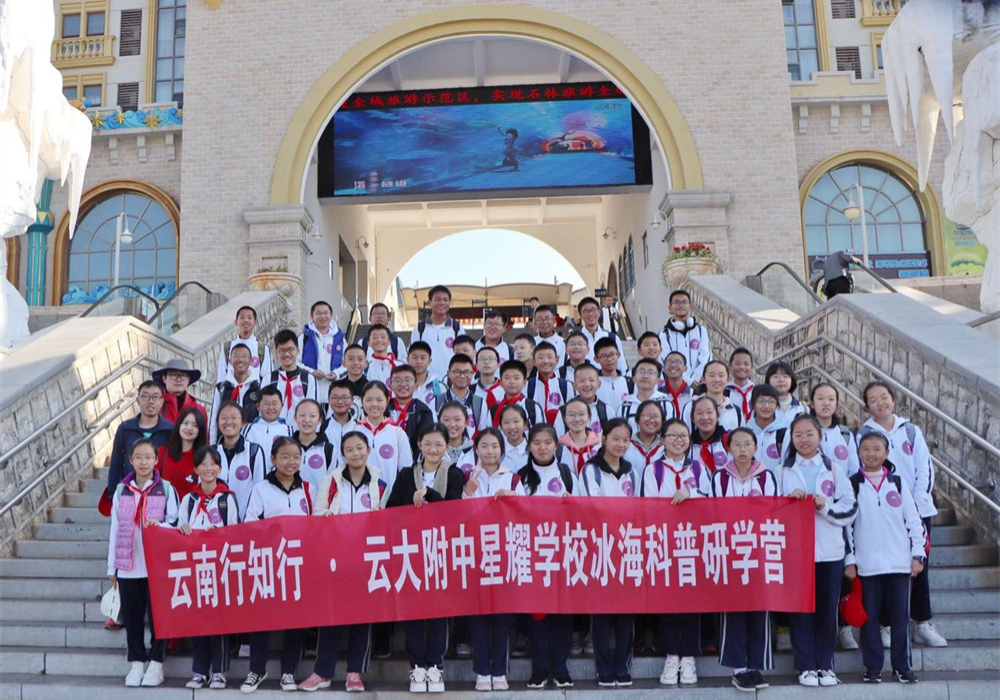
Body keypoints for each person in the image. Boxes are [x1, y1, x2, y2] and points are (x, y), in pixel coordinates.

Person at [857, 381, 945, 648]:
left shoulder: (910, 431)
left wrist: (915, 505)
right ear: (867, 406)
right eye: (873, 400)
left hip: (917, 510)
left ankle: (922, 622)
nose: (880, 403)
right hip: (883, 514)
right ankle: (884, 624)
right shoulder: (863, 435)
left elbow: (924, 468)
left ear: (893, 399)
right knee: (886, 569)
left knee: (919, 566)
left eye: (884, 397)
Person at [299, 431, 388, 692]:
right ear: (343, 454)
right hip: (335, 558)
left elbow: (386, 520)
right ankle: (322, 672)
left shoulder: (380, 483)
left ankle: (354, 673)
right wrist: (325, 516)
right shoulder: (331, 481)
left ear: (368, 450)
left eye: (360, 448)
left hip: (366, 559)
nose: (355, 453)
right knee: (331, 616)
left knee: (363, 616)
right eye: (349, 449)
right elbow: (317, 513)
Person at [780, 415, 857, 688]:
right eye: (798, 435)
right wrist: (789, 503)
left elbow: (850, 508)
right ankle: (805, 666)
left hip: (830, 553)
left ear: (820, 437)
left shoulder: (834, 470)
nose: (804, 439)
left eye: (809, 433)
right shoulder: (781, 472)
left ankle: (825, 665)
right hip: (795, 554)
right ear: (791, 439)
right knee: (801, 611)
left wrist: (825, 507)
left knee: (827, 611)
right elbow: (771, 511)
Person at [386, 424, 464, 694]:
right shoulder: (406, 474)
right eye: (427, 443)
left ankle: (435, 667)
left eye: (439, 444)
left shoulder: (454, 474)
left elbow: (455, 510)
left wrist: (430, 495)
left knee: (438, 612)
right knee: (413, 612)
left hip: (441, 552)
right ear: (419, 445)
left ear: (447, 446)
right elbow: (391, 508)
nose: (433, 449)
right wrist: (412, 503)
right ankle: (417, 666)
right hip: (411, 552)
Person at [846, 432, 926, 684]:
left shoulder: (898, 483)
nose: (871, 453)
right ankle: (873, 667)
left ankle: (902, 666)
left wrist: (918, 554)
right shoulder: (853, 484)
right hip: (867, 565)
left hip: (899, 564)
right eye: (866, 449)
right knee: (869, 619)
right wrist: (850, 559)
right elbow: (846, 526)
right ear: (859, 452)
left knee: (900, 619)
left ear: (887, 453)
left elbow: (914, 521)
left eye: (877, 449)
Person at [106, 439, 179, 688]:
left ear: (156, 460)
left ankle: (156, 664)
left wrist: (161, 526)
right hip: (128, 566)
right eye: (138, 457)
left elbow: (176, 523)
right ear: (131, 460)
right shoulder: (121, 490)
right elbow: (115, 530)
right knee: (133, 618)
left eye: (148, 457)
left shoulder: (165, 488)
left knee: (158, 618)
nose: (143, 462)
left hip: (156, 567)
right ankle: (136, 663)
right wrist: (112, 568)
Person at [241, 436, 311, 693]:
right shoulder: (261, 489)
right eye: (285, 456)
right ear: (273, 459)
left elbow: (316, 526)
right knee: (261, 618)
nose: (291, 462)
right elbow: (250, 523)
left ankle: (289, 672)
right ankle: (257, 670)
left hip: (299, 565)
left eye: (296, 457)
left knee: (296, 620)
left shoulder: (309, 490)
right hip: (268, 563)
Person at [641, 418, 708, 688]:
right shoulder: (653, 469)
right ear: (663, 439)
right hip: (664, 542)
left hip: (693, 543)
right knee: (668, 601)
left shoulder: (698, 468)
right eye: (673, 436)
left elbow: (711, 498)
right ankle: (671, 656)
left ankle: (689, 656)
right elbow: (648, 505)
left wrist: (690, 492)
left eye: (683, 436)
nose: (679, 441)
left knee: (691, 601)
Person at [711, 428, 777, 692]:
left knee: (760, 607)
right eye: (736, 444)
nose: (741, 449)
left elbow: (771, 510)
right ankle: (739, 667)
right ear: (729, 449)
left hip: (759, 550)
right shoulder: (719, 477)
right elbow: (716, 511)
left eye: (747, 444)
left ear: (755, 448)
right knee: (734, 608)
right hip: (730, 551)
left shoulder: (766, 476)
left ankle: (756, 665)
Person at [462, 428, 523, 691]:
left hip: (504, 554)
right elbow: (456, 516)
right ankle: (482, 671)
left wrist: (514, 499)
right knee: (478, 617)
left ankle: (499, 671)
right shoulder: (468, 477)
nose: (489, 451)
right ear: (476, 449)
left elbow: (526, 513)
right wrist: (467, 493)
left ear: (502, 449)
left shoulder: (513, 478)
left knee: (501, 618)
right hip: (475, 553)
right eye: (484, 446)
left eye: (494, 446)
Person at [517, 424, 577, 690]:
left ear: (556, 445)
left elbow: (582, 510)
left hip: (563, 551)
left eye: (547, 442)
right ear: (529, 446)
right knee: (538, 615)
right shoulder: (520, 477)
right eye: (536, 443)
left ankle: (561, 668)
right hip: (533, 554)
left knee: (562, 613)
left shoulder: (567, 473)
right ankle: (540, 668)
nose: (542, 448)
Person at [580, 418, 639, 687]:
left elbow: (638, 509)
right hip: (599, 547)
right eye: (615, 438)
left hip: (627, 548)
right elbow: (591, 506)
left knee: (626, 611)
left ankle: (623, 665)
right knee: (601, 611)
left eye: (625, 440)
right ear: (603, 439)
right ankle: (603, 666)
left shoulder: (632, 472)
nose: (620, 444)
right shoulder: (590, 470)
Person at [178, 445, 239, 690]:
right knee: (198, 620)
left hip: (220, 568)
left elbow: (235, 531)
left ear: (220, 468)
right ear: (195, 469)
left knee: (218, 620)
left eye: (212, 464)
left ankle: (219, 672)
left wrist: (219, 533)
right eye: (202, 464)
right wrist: (183, 530)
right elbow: (178, 529)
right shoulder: (189, 500)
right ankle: (200, 671)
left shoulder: (227, 499)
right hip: (195, 568)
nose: (208, 468)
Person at [106, 380, 173, 495]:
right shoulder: (125, 429)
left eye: (155, 397)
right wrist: (113, 493)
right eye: (145, 396)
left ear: (162, 401)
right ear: (138, 400)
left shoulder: (170, 431)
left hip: (160, 493)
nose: (150, 401)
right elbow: (116, 464)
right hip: (129, 493)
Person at [356, 381, 411, 497]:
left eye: (379, 400)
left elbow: (406, 471)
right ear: (362, 401)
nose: (374, 404)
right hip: (359, 499)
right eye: (369, 400)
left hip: (390, 499)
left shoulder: (397, 433)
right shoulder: (354, 432)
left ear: (387, 401)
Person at [214, 401, 265, 521]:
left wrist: (251, 519)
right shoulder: (211, 452)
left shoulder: (253, 451)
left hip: (246, 522)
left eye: (234, 418)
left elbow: (261, 489)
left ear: (242, 422)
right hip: (216, 524)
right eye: (224, 418)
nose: (228, 422)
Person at [264, 329, 318, 431]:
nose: (287, 354)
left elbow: (313, 410)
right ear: (276, 354)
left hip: (300, 433)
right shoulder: (269, 379)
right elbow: (263, 410)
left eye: (290, 349)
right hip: (275, 433)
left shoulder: (308, 379)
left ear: (298, 351)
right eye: (282, 350)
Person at [209, 342, 259, 443]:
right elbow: (213, 419)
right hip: (224, 443)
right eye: (236, 356)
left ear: (251, 361)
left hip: (250, 443)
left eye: (244, 356)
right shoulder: (221, 388)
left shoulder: (258, 388)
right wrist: (213, 445)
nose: (240, 360)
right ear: (230, 361)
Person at [657, 290, 711, 384]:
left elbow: (706, 357)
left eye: (684, 302)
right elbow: (666, 361)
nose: (681, 305)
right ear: (670, 308)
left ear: (690, 306)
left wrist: (695, 379)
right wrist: (688, 382)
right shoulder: (664, 334)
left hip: (699, 384)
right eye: (676, 302)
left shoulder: (700, 331)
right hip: (675, 385)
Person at [410, 285, 464, 379]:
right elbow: (413, 356)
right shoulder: (419, 328)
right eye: (437, 299)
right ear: (430, 303)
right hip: (426, 381)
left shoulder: (457, 328)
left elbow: (462, 356)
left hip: (451, 380)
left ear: (450, 302)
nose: (442, 303)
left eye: (445, 300)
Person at [299, 300, 345, 403]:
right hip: (309, 393)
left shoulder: (340, 339)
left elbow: (347, 364)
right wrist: (311, 372)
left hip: (334, 396)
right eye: (318, 313)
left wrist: (336, 374)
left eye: (326, 313)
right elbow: (295, 363)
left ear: (331, 315)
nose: (323, 316)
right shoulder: (304, 338)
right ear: (312, 316)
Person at [157, 406, 207, 500]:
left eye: (195, 425)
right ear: (179, 425)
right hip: (164, 507)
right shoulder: (162, 453)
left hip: (191, 508)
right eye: (185, 423)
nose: (189, 428)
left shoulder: (203, 459)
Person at [682, 359, 742, 431]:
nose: (716, 379)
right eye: (711, 375)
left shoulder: (735, 411)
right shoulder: (691, 407)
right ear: (703, 379)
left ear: (728, 379)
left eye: (721, 375)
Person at [435, 354, 489, 434]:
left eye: (467, 372)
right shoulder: (436, 402)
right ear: (449, 374)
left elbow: (482, 435)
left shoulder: (480, 404)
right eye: (457, 372)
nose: (462, 376)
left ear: (472, 374)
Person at [389, 365, 436, 455]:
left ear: (416, 385)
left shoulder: (423, 411)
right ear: (390, 386)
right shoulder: (384, 409)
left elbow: (425, 440)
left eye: (408, 380)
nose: (403, 384)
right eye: (397, 380)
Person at [217, 305, 271, 383]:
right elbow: (221, 377)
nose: (246, 320)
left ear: (255, 322)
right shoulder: (227, 348)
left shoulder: (262, 348)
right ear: (236, 322)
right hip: (232, 390)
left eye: (249, 318)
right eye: (242, 317)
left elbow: (267, 378)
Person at [293, 399, 336, 494]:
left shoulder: (328, 450)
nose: (307, 420)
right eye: (302, 415)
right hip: (292, 500)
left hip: (318, 501)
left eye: (312, 416)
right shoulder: (287, 447)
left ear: (320, 419)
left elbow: (331, 481)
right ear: (295, 418)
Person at [526, 341, 574, 426]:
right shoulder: (527, 385)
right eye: (540, 357)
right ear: (533, 362)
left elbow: (571, 411)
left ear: (556, 360)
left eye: (549, 357)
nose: (545, 361)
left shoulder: (566, 386)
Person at [577, 297, 628, 375]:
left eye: (593, 310)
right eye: (586, 311)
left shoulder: (612, 338)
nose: (590, 314)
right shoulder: (575, 341)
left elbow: (622, 367)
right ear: (580, 316)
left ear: (599, 313)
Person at [619, 359, 673, 433]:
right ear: (634, 378)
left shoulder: (666, 404)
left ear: (658, 380)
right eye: (641, 372)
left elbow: (670, 432)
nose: (645, 376)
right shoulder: (625, 407)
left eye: (651, 373)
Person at [489, 360, 544, 427]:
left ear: (524, 382)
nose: (512, 382)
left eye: (516, 378)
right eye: (507, 378)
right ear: (501, 383)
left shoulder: (533, 408)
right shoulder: (493, 411)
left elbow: (541, 431)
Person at [152, 358, 208, 424]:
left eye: (183, 375)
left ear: (188, 380)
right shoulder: (154, 406)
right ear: (164, 378)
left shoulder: (199, 410)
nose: (178, 379)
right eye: (173, 375)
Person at [241, 385, 292, 454]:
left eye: (274, 404)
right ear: (258, 406)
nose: (270, 407)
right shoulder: (247, 429)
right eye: (266, 404)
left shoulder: (289, 431)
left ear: (282, 406)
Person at [623, 400, 666, 480]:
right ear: (637, 420)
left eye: (656, 416)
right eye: (647, 416)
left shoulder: (666, 447)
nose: (652, 420)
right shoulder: (626, 445)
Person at [745, 385, 784, 473]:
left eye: (771, 401)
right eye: (761, 401)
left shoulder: (784, 434)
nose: (766, 406)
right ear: (753, 404)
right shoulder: (745, 433)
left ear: (777, 405)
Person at [558, 397, 602, 474]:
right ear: (564, 418)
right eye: (571, 415)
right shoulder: (558, 448)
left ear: (589, 416)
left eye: (581, 414)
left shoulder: (600, 446)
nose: (577, 419)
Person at [688, 396, 729, 475]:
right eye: (699, 413)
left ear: (717, 416)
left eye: (709, 412)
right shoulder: (687, 443)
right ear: (693, 418)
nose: (705, 417)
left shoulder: (728, 440)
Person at [570, 362, 612, 436]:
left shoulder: (608, 411)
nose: (587, 384)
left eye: (591, 380)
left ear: (599, 384)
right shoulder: (564, 412)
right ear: (574, 385)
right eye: (582, 381)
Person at [593, 337, 633, 414]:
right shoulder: (593, 383)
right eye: (604, 356)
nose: (609, 359)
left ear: (618, 355)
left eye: (612, 355)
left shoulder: (629, 382)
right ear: (596, 359)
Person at [439, 401, 476, 479]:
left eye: (457, 419)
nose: (452, 424)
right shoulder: (431, 450)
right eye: (446, 420)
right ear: (439, 421)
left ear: (466, 423)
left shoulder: (475, 452)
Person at [322, 379, 359, 456]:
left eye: (344, 397)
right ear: (328, 400)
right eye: (335, 398)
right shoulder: (322, 428)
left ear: (352, 400)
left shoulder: (359, 427)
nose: (340, 401)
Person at [764, 361, 804, 428]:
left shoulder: (802, 408)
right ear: (768, 380)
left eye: (785, 376)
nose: (781, 380)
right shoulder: (762, 408)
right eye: (776, 377)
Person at [408, 341, 447, 406]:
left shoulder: (436, 385)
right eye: (415, 357)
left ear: (429, 361)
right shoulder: (403, 385)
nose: (419, 361)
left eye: (423, 358)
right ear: (407, 359)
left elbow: (441, 408)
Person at [662, 351, 694, 418]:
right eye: (669, 362)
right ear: (664, 368)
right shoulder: (658, 395)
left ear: (685, 368)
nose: (673, 365)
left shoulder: (693, 395)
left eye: (678, 362)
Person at [498, 404, 530, 471]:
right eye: (507, 422)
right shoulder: (497, 453)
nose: (512, 427)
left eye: (516, 421)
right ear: (501, 427)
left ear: (525, 424)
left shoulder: (534, 451)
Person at [727, 348, 755, 422]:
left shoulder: (757, 391)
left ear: (752, 367)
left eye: (746, 364)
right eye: (737, 364)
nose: (742, 367)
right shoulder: (724, 391)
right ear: (730, 367)